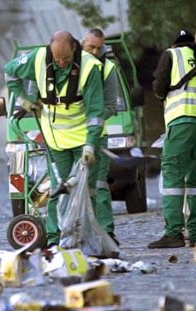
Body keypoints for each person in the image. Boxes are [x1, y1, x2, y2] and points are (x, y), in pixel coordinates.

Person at [4, 30, 105, 249]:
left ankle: (84, 238)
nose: (60, 63)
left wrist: (90, 145)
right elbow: (10, 72)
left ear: (75, 49)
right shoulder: (38, 58)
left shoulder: (89, 68)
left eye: (66, 59)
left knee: (85, 190)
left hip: (82, 139)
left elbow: (96, 112)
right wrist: (23, 100)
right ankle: (54, 239)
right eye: (56, 58)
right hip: (55, 139)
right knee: (58, 190)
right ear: (50, 50)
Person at [148, 29, 196, 249]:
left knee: (172, 176)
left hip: (180, 122)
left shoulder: (171, 55)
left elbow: (158, 87)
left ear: (175, 44)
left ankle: (173, 233)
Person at [81, 28, 120, 246]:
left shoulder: (107, 69)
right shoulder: (71, 63)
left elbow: (111, 106)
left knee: (99, 184)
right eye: (91, 47)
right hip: (69, 136)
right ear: (82, 44)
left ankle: (106, 231)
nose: (95, 52)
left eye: (98, 48)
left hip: (97, 135)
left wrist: (90, 118)